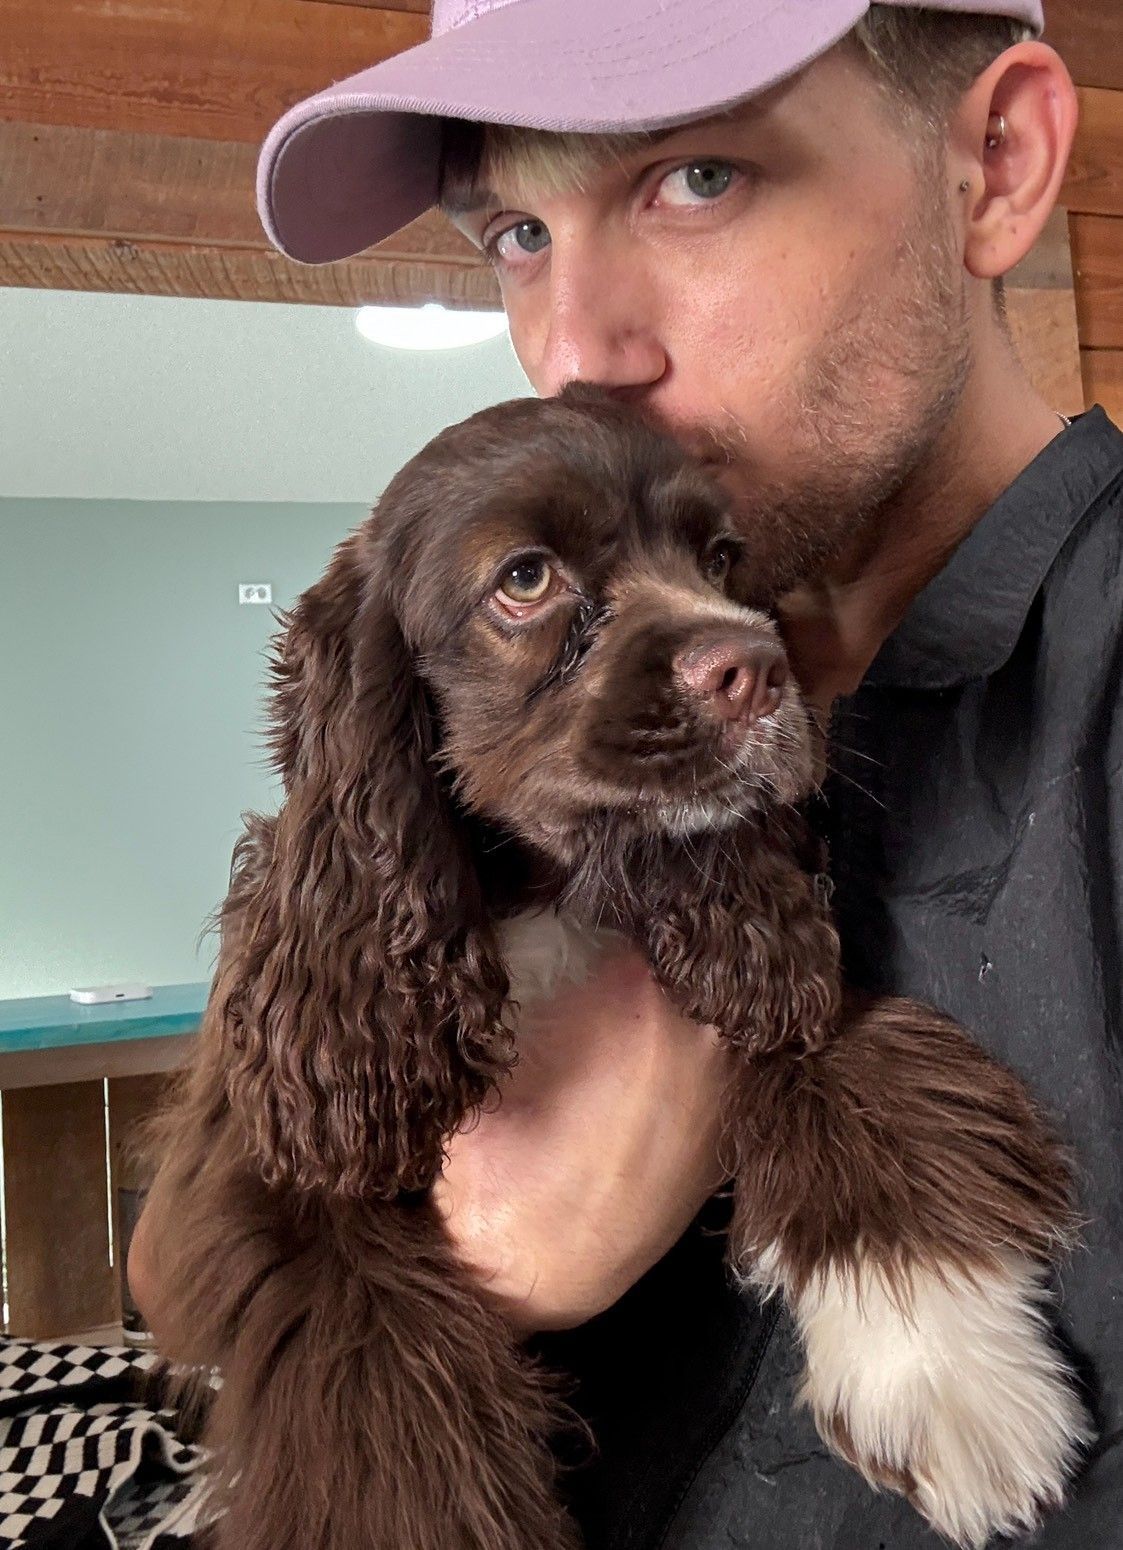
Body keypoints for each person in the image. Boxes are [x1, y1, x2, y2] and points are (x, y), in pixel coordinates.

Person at [132, 1, 1123, 1543]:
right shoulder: (490, 754)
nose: (578, 353)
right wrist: (485, 1257)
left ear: (994, 162)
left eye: (695, 179)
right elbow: (172, 1250)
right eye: (517, 230)